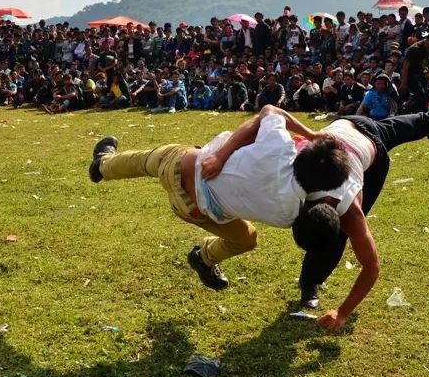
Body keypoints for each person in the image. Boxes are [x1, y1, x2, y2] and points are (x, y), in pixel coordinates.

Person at [88, 105, 350, 292]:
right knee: (247, 238)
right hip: (193, 210)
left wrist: (313, 135)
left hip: (182, 164)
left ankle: (102, 165)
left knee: (145, 161)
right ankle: (204, 257)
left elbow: (271, 111)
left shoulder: (279, 149)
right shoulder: (288, 216)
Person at [291, 109, 429, 329]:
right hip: (348, 125)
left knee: (337, 239)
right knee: (389, 130)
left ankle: (310, 283)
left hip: (361, 143)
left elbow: (372, 267)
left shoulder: (351, 215)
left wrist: (342, 313)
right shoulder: (291, 183)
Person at [399, 31, 429, 112]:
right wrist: (404, 82)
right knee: (421, 97)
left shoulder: (427, 47)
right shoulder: (415, 49)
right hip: (409, 75)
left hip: (419, 74)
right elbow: (405, 66)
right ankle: (415, 114)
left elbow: (427, 58)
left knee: (428, 96)